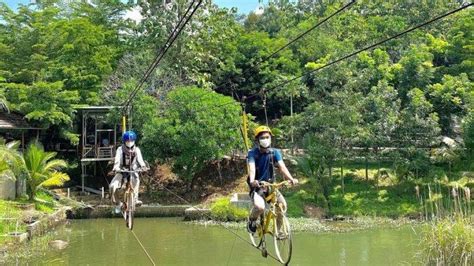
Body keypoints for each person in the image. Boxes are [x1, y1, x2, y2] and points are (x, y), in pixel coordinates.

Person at [246, 125, 298, 234]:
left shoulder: (275, 152)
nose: (265, 140)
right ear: (257, 140)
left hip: (270, 186)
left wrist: (291, 179)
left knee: (282, 206)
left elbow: (282, 167)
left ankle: (277, 232)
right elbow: (251, 168)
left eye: (267, 137)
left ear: (270, 138)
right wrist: (252, 181)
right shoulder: (253, 153)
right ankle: (251, 220)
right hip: (257, 187)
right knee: (260, 207)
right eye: (262, 138)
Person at [109, 131, 147, 213]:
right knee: (112, 186)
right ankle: (117, 203)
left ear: (134, 141)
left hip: (133, 171)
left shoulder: (137, 150)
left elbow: (140, 160)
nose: (129, 143)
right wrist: (116, 168)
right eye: (127, 141)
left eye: (131, 141)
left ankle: (135, 199)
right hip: (121, 171)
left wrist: (143, 167)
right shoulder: (120, 149)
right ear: (124, 141)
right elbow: (117, 160)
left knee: (136, 181)